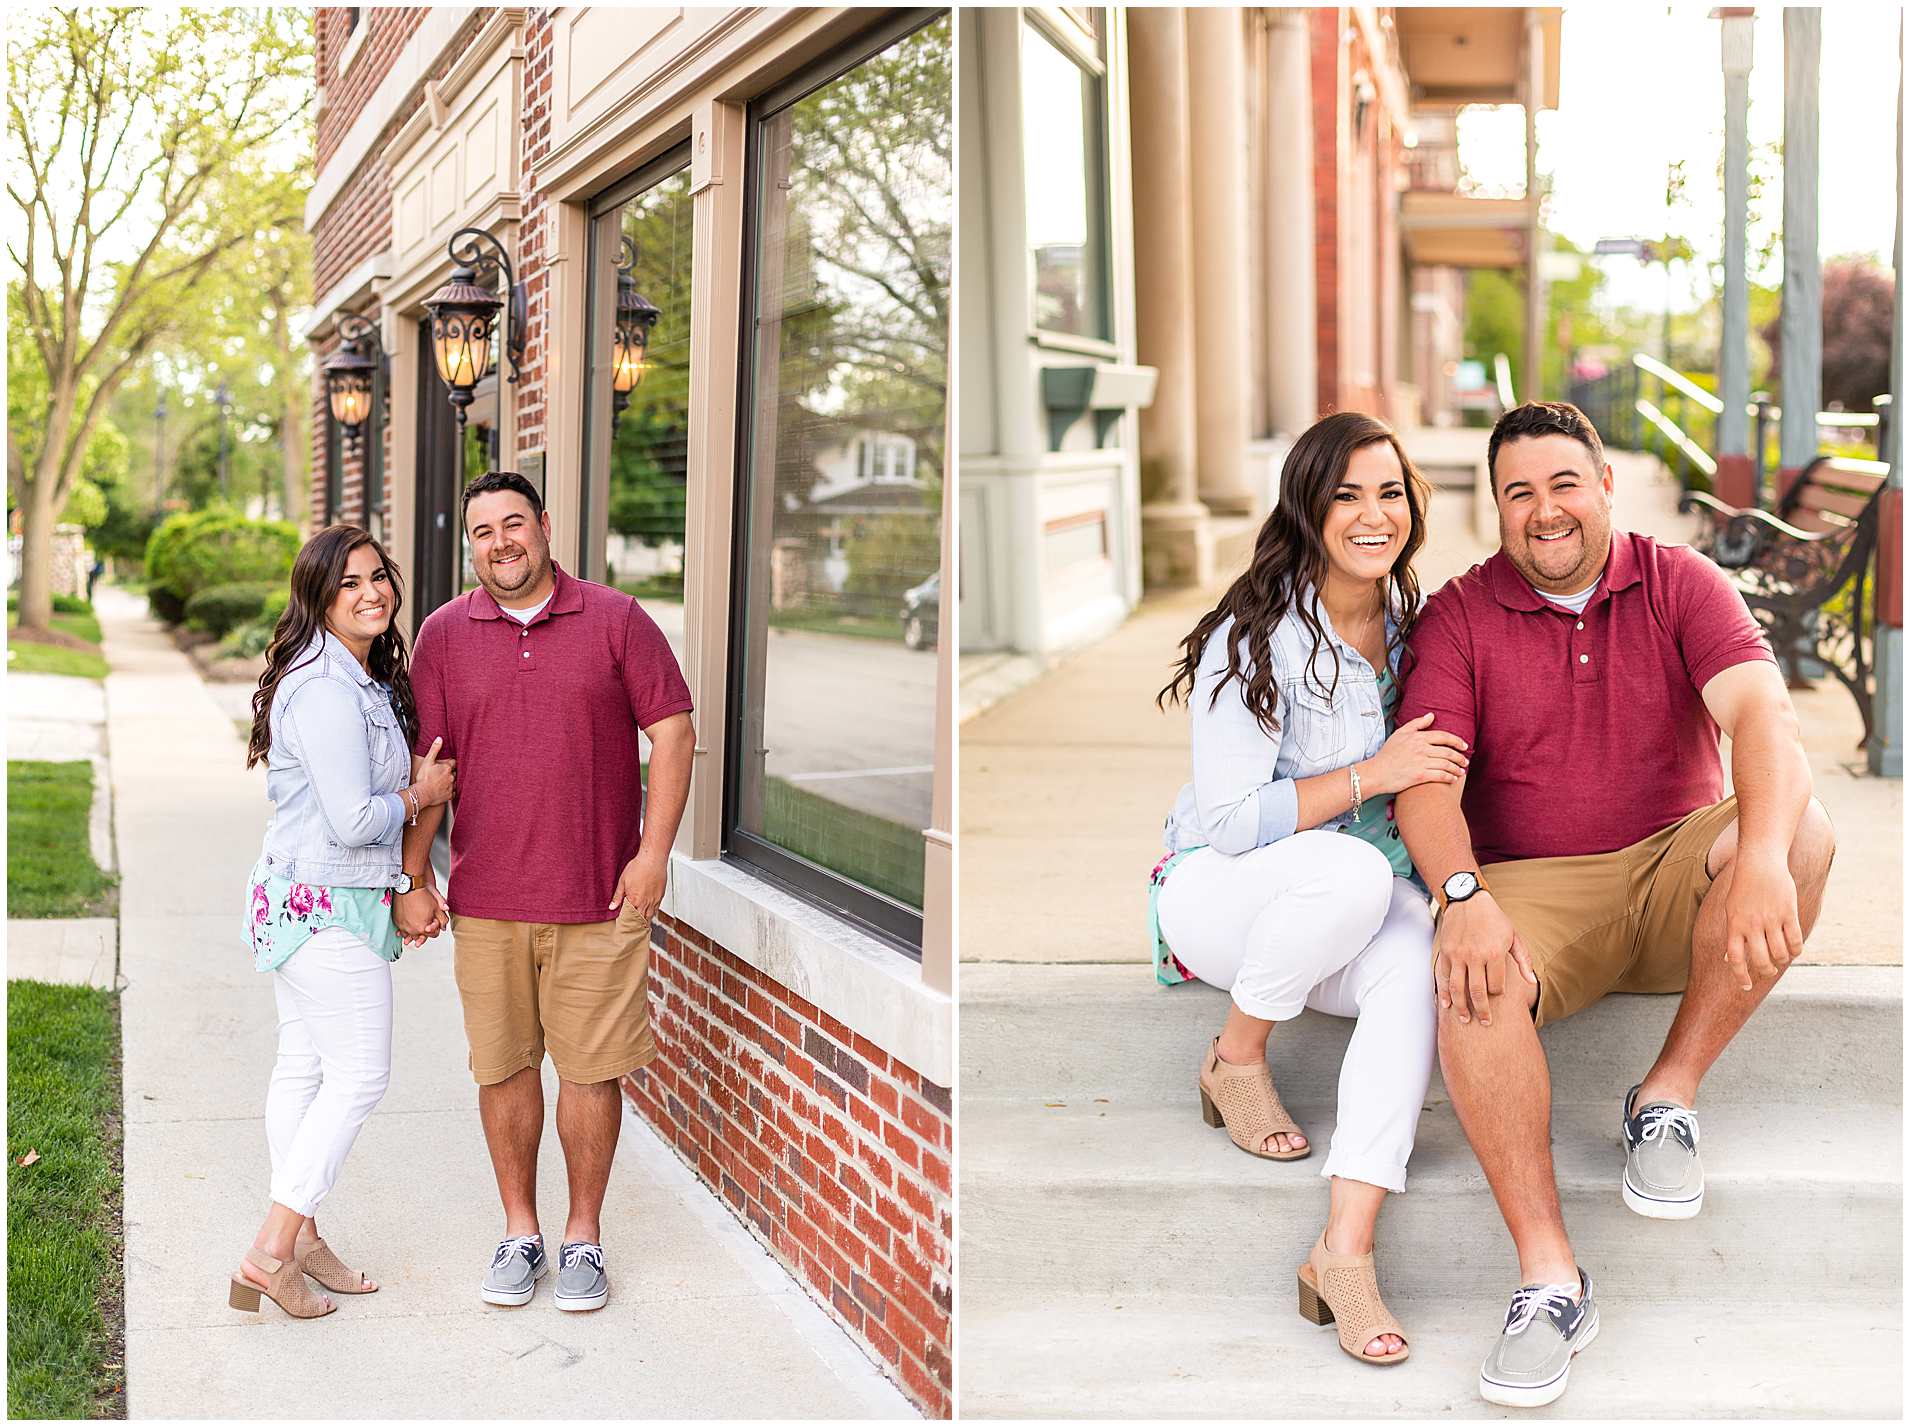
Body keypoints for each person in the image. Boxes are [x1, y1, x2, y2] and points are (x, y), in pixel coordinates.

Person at [1395, 401, 1835, 1408]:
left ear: (1603, 484)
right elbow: (1424, 776)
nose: (1542, 511)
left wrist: (1760, 852)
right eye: (1516, 493)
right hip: (1534, 890)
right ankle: (1550, 1278)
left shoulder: (1677, 579)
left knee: (1801, 829)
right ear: (1494, 511)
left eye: (1561, 483)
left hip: (1674, 871)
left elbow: (1760, 715)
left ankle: (1665, 1092)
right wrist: (1458, 891)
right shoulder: (1458, 613)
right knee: (1463, 967)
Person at [1152, 411, 1471, 1366]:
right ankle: (1236, 1057)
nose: (1374, 515)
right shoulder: (1256, 636)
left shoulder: (1416, 625)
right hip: (1221, 898)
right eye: (1347, 496)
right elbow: (1233, 822)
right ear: (1308, 507)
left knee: (1415, 955)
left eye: (1390, 493)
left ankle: (1344, 1250)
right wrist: (1376, 772)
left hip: (1344, 908)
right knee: (1358, 869)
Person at [395, 470, 695, 1314]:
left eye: (514, 524)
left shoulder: (616, 620)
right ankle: (520, 1230)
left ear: (546, 526)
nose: (501, 543)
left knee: (592, 1076)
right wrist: (415, 878)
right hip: (487, 898)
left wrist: (653, 854)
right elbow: (432, 773)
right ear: (472, 545)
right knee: (503, 1069)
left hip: (601, 900)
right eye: (483, 530)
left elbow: (674, 732)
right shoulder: (445, 636)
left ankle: (584, 1237)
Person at [230, 525, 456, 1319]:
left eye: (377, 578)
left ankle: (303, 1240)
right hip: (322, 910)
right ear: (320, 600)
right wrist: (423, 793)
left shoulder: (351, 674)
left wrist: (404, 872)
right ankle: (270, 1248)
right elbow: (356, 817)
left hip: (305, 898)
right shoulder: (326, 687)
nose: (371, 593)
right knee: (358, 1075)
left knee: (304, 1067)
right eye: (349, 583)